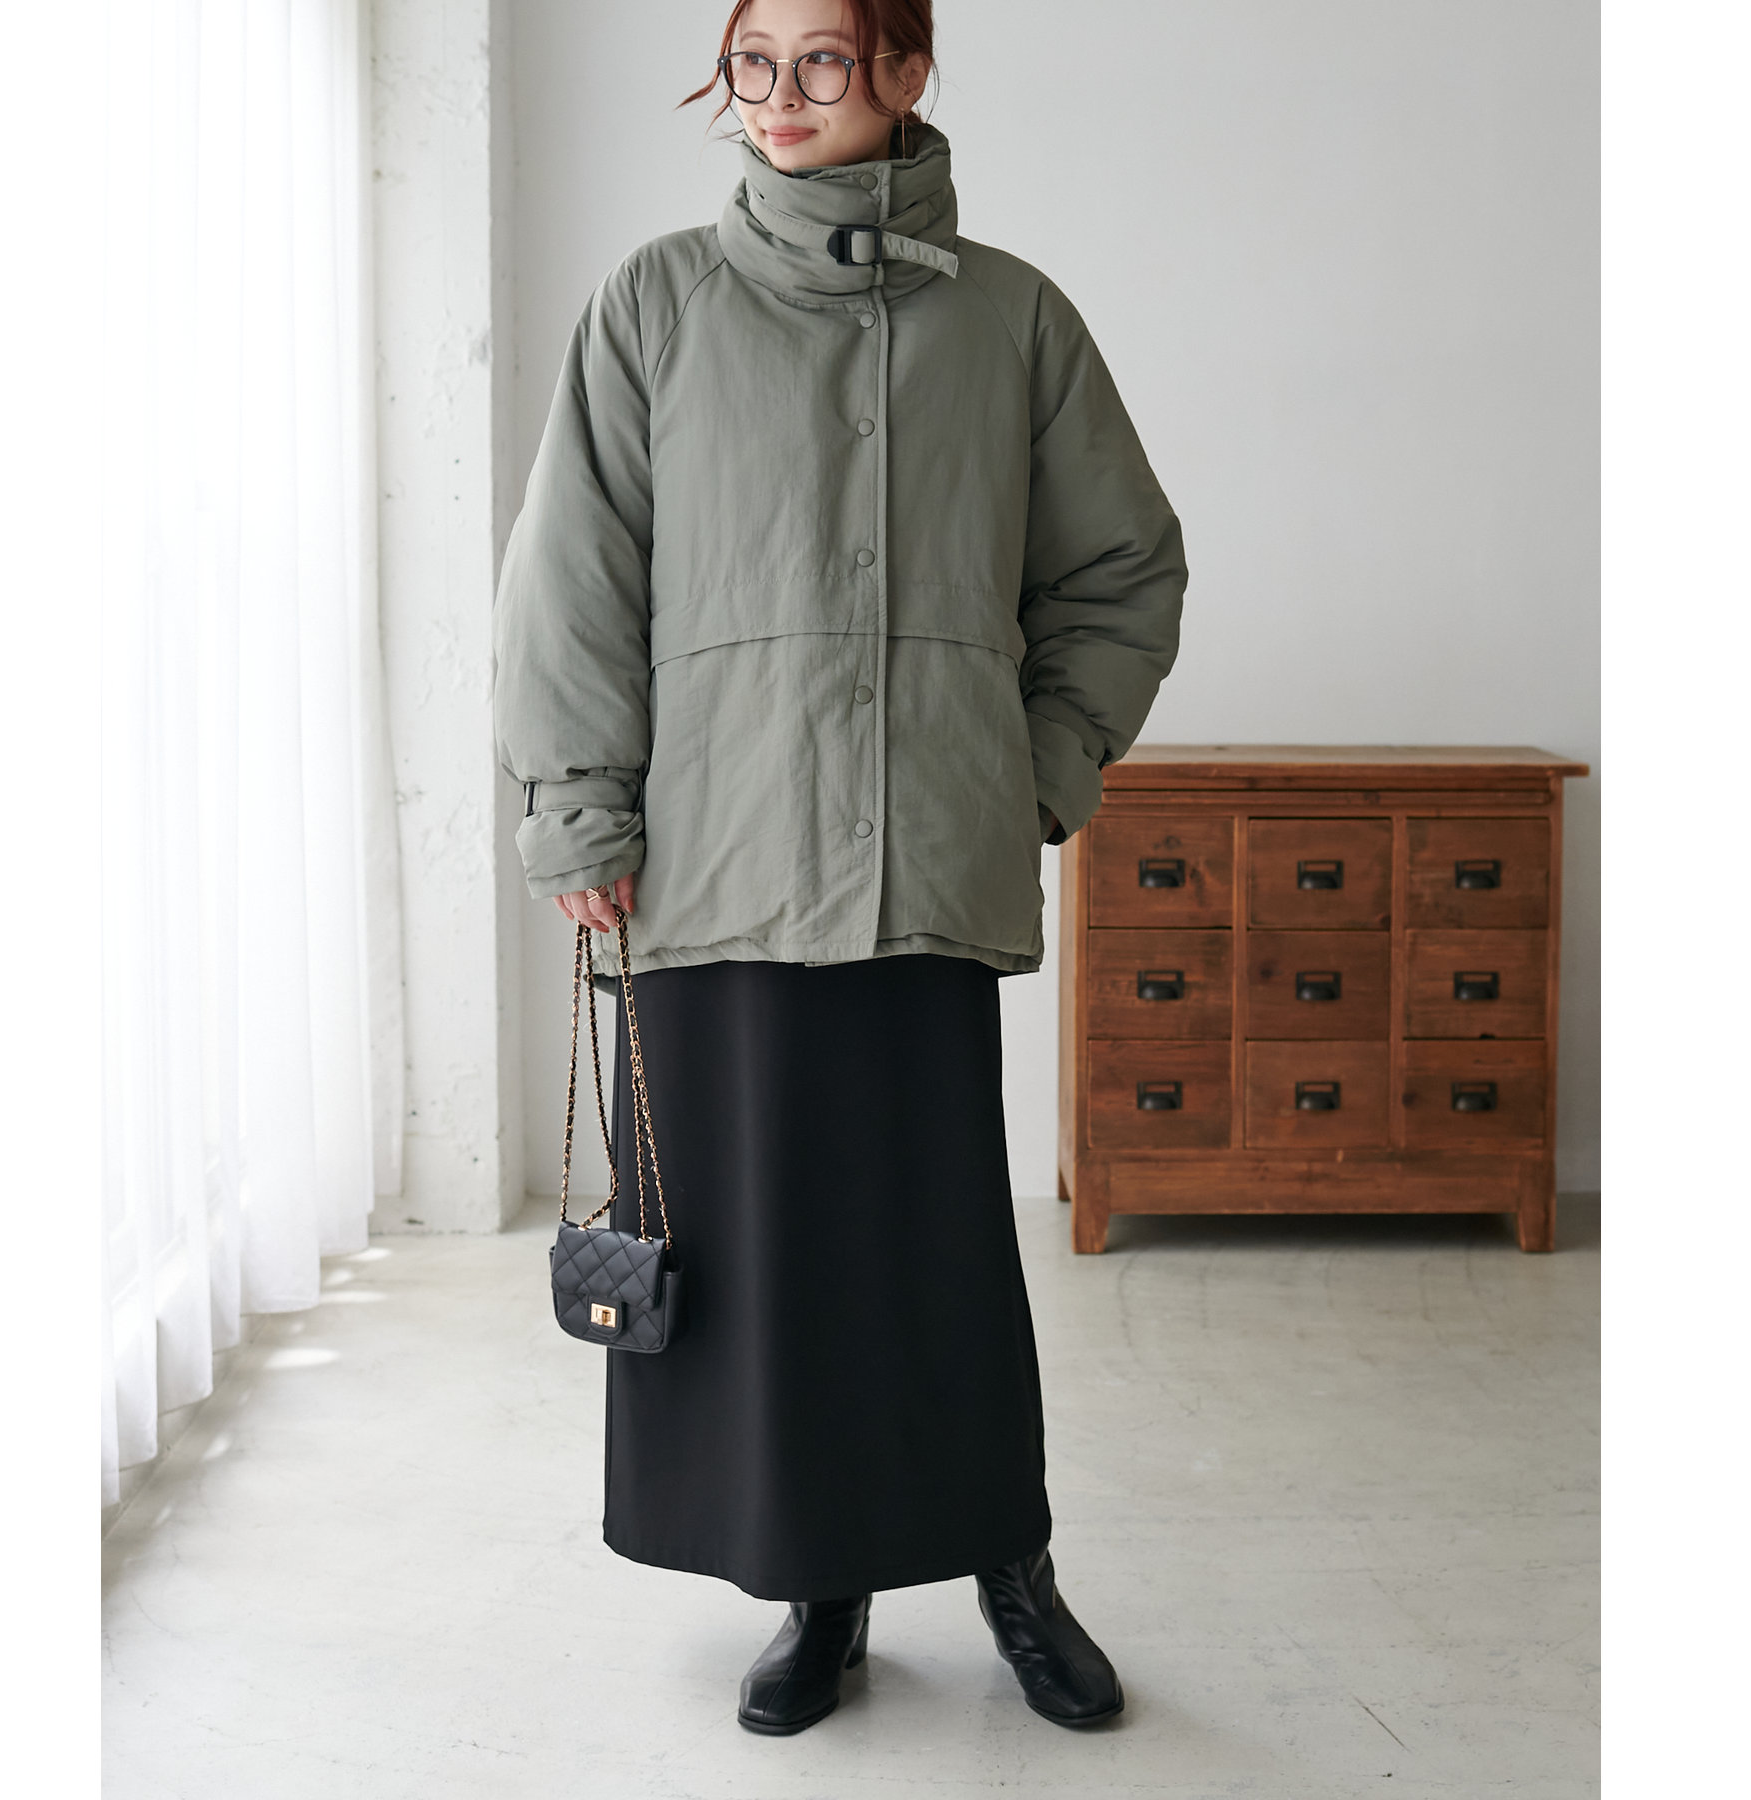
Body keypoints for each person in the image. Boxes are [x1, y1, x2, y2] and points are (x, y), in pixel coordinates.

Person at [493, 0, 1186, 1737]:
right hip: (714, 864)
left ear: (905, 69)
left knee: (935, 1251)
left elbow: (1121, 571)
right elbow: (571, 578)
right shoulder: (656, 304)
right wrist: (579, 806)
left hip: (924, 865)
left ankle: (1010, 1566)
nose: (782, 95)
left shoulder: (1013, 320)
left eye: (823, 58)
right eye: (754, 61)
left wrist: (1034, 773)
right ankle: (820, 1591)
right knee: (756, 1255)